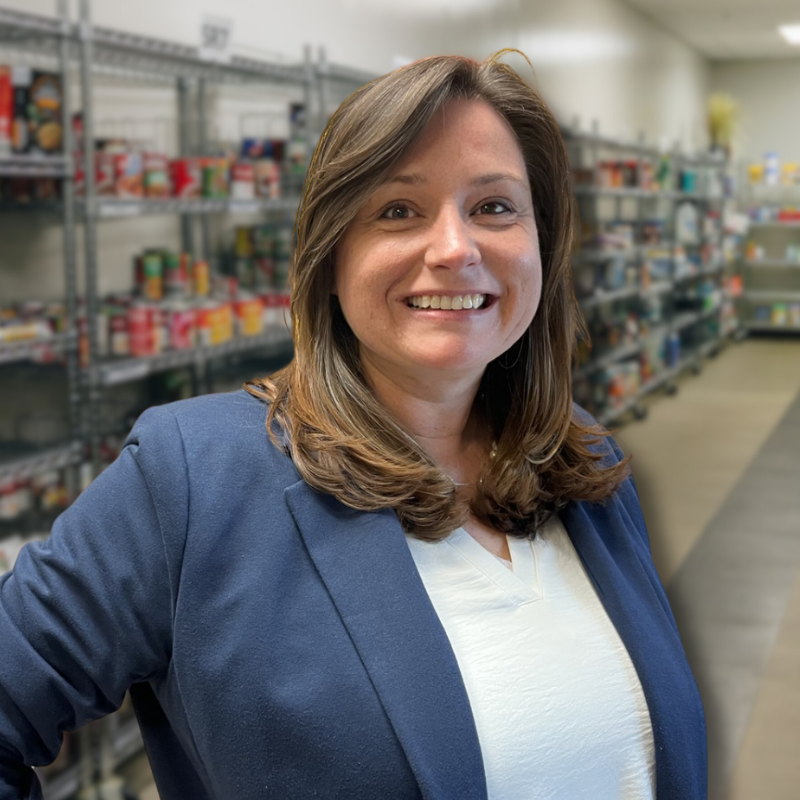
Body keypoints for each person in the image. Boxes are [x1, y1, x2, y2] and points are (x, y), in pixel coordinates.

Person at [0, 52, 706, 800]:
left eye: (495, 207)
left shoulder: (578, 457)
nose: (455, 249)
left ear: (543, 242)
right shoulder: (191, 477)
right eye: (397, 210)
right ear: (330, 256)